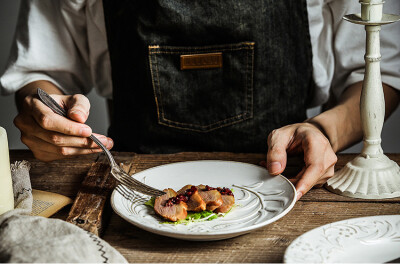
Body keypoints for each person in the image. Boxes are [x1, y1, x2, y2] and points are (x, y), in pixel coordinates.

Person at [1, 0, 399, 200]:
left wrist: (324, 130)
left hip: (289, 183)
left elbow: (380, 74)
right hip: (131, 189)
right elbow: (43, 73)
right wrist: (48, 116)